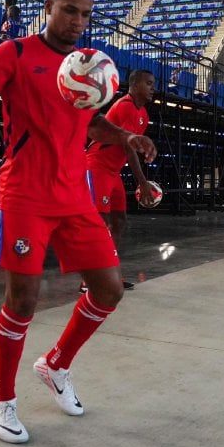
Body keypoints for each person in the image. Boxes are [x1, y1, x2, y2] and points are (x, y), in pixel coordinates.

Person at [0, 0, 157, 444]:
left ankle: (56, 364)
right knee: (23, 300)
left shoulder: (87, 66)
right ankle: (2, 402)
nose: (78, 21)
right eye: (69, 10)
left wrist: (127, 136)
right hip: (25, 194)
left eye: (86, 14)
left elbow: (92, 123)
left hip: (74, 194)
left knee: (110, 290)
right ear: (50, 7)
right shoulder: (13, 53)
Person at [84, 69, 156, 291]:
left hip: (113, 171)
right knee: (100, 224)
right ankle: (90, 280)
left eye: (153, 83)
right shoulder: (125, 106)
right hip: (97, 166)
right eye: (148, 83)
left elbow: (134, 148)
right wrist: (142, 182)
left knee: (119, 221)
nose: (153, 87)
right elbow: (128, 145)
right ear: (134, 85)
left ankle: (111, 274)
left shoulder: (143, 113)